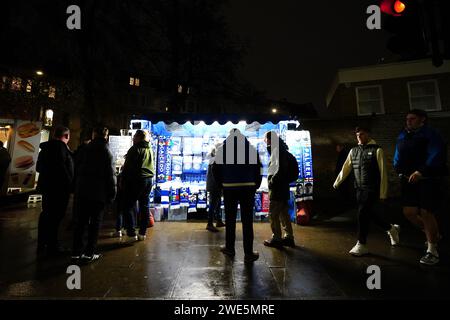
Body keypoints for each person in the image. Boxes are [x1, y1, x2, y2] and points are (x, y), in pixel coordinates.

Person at [334, 126, 400, 256]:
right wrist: (337, 182)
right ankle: (391, 228)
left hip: (372, 188)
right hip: (359, 188)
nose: (359, 137)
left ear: (368, 135)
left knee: (362, 213)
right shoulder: (353, 151)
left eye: (362, 134)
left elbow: (383, 173)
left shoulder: (377, 150)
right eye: (358, 135)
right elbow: (346, 167)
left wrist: (383, 192)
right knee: (368, 213)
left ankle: (361, 243)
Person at [393, 109, 448, 265]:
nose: (408, 121)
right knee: (409, 212)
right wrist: (398, 169)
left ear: (422, 120)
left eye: (412, 118)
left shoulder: (430, 133)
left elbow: (436, 153)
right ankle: (433, 234)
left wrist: (421, 171)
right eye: (407, 118)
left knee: (425, 212)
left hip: (427, 179)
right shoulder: (403, 134)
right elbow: (398, 154)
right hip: (408, 179)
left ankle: (432, 250)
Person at [213, 128, 262, 263]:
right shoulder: (251, 149)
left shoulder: (223, 150)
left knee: (230, 220)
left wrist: (221, 184)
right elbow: (259, 168)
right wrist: (255, 184)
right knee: (247, 221)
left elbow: (215, 169)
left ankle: (230, 248)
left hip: (229, 188)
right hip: (248, 188)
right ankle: (248, 253)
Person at [72, 127, 116, 263]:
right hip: (98, 192)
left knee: (81, 222)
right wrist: (112, 194)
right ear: (106, 136)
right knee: (95, 223)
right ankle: (89, 253)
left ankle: (76, 251)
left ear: (93, 134)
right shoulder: (106, 151)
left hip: (82, 190)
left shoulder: (84, 148)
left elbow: (75, 166)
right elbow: (111, 175)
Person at [36, 126, 74, 256]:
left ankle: (42, 244)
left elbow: (38, 167)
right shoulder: (62, 149)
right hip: (59, 189)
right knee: (56, 216)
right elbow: (63, 169)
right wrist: (69, 184)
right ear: (67, 136)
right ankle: (52, 245)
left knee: (46, 214)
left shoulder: (45, 149)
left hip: (47, 187)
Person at [120, 130, 155, 241]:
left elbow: (127, 167)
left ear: (139, 137)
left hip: (137, 180)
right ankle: (142, 233)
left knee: (128, 206)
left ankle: (131, 233)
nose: (133, 138)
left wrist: (123, 179)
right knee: (144, 206)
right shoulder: (149, 148)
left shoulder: (135, 149)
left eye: (134, 136)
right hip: (148, 180)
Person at [263, 131, 295, 248]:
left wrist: (272, 182)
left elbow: (279, 169)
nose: (265, 141)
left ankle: (276, 238)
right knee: (283, 214)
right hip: (283, 188)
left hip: (277, 189)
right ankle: (289, 237)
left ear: (270, 140)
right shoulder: (281, 150)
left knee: (273, 215)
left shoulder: (277, 151)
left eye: (266, 139)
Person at [206, 143, 225, 232]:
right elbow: (216, 174)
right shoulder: (215, 160)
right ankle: (209, 224)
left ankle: (218, 220)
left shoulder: (213, 159)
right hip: (215, 185)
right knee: (213, 204)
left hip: (215, 185)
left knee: (217, 203)